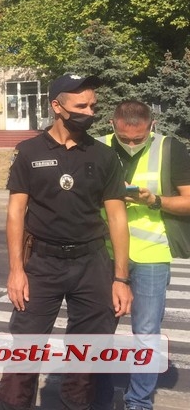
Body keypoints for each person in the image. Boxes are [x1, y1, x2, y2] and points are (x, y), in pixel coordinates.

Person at [0, 74, 132, 410]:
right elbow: (16, 213)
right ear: (56, 106)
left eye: (93, 105)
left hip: (92, 265)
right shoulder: (28, 152)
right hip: (41, 265)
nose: (89, 111)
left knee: (84, 361)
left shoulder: (103, 156)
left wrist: (120, 278)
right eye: (81, 106)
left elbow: (117, 217)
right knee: (25, 352)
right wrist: (16, 270)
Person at [94, 100, 190, 410]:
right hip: (104, 254)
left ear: (152, 126)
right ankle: (99, 396)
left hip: (151, 255)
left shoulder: (169, 148)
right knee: (98, 331)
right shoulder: (95, 148)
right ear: (113, 125)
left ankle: (138, 402)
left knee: (146, 333)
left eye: (139, 138)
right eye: (125, 138)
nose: (132, 143)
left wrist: (154, 200)